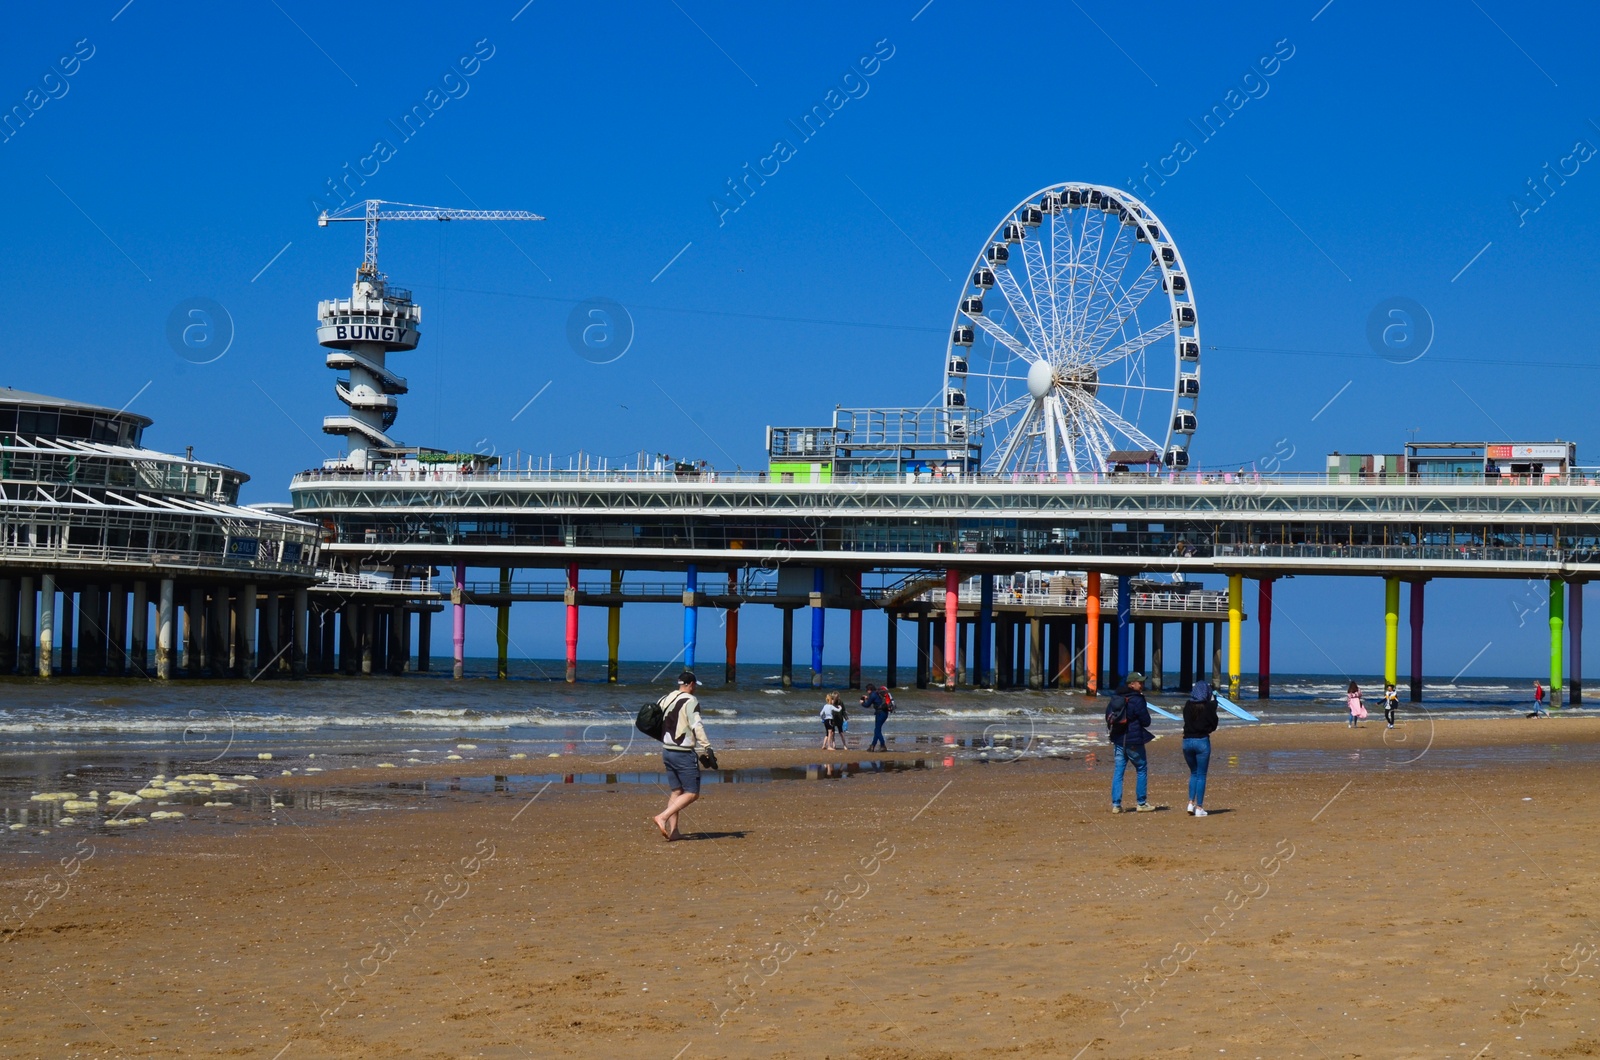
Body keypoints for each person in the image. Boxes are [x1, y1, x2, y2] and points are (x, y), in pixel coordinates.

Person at [652, 671, 714, 842]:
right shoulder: (691, 700)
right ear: (691, 684)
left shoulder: (665, 698)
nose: (695, 688)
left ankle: (674, 832)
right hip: (683, 752)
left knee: (676, 791)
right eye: (694, 685)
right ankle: (662, 817)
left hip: (667, 750)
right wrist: (707, 746)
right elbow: (697, 725)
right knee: (692, 793)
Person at [1107, 672, 1155, 813]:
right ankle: (1141, 803)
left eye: (1142, 682)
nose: (1142, 684)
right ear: (1131, 684)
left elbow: (1109, 716)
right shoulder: (1137, 699)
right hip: (1133, 740)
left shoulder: (1116, 697)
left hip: (1118, 739)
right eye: (1140, 682)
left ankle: (1116, 805)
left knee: (1118, 772)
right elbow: (1146, 721)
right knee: (1141, 769)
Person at [1182, 679, 1219, 817]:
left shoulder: (1187, 705)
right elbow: (1213, 725)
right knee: (1201, 775)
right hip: (1201, 742)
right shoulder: (1208, 707)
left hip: (1186, 742)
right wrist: (1214, 702)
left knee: (1193, 773)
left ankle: (1190, 803)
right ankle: (1199, 807)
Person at [864, 683, 889, 751]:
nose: (867, 692)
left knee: (877, 730)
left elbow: (867, 705)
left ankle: (883, 745)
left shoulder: (873, 694)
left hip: (880, 714)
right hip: (885, 713)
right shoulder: (877, 693)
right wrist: (868, 698)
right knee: (877, 730)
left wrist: (862, 702)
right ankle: (872, 746)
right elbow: (877, 701)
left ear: (869, 690)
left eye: (867, 690)